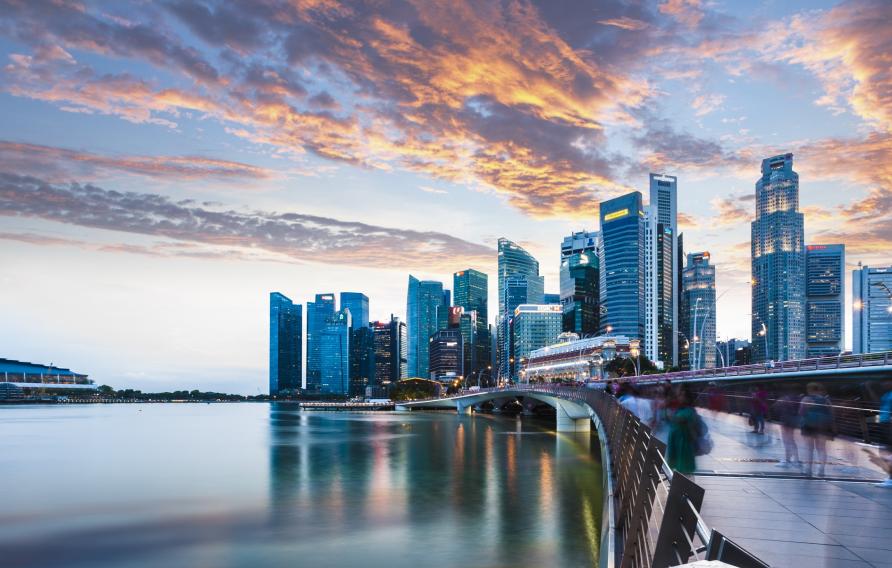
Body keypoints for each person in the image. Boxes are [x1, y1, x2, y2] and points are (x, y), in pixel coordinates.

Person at [800, 382, 834, 477]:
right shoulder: (826, 400)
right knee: (822, 449)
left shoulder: (806, 399)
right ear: (818, 390)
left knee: (809, 449)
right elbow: (831, 414)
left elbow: (801, 413)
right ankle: (821, 470)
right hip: (823, 427)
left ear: (809, 390)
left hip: (808, 426)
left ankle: (808, 470)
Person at [666, 386, 698, 475]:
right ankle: (678, 483)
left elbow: (677, 418)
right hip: (677, 442)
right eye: (679, 395)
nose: (679, 397)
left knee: (684, 469)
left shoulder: (689, 411)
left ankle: (684, 485)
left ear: (687, 398)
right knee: (678, 467)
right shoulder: (680, 409)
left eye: (681, 395)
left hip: (683, 443)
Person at [774, 388, 801, 468]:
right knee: (791, 440)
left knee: (786, 441)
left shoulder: (784, 398)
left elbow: (775, 407)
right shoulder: (797, 398)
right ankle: (796, 460)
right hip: (793, 421)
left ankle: (787, 460)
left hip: (785, 421)